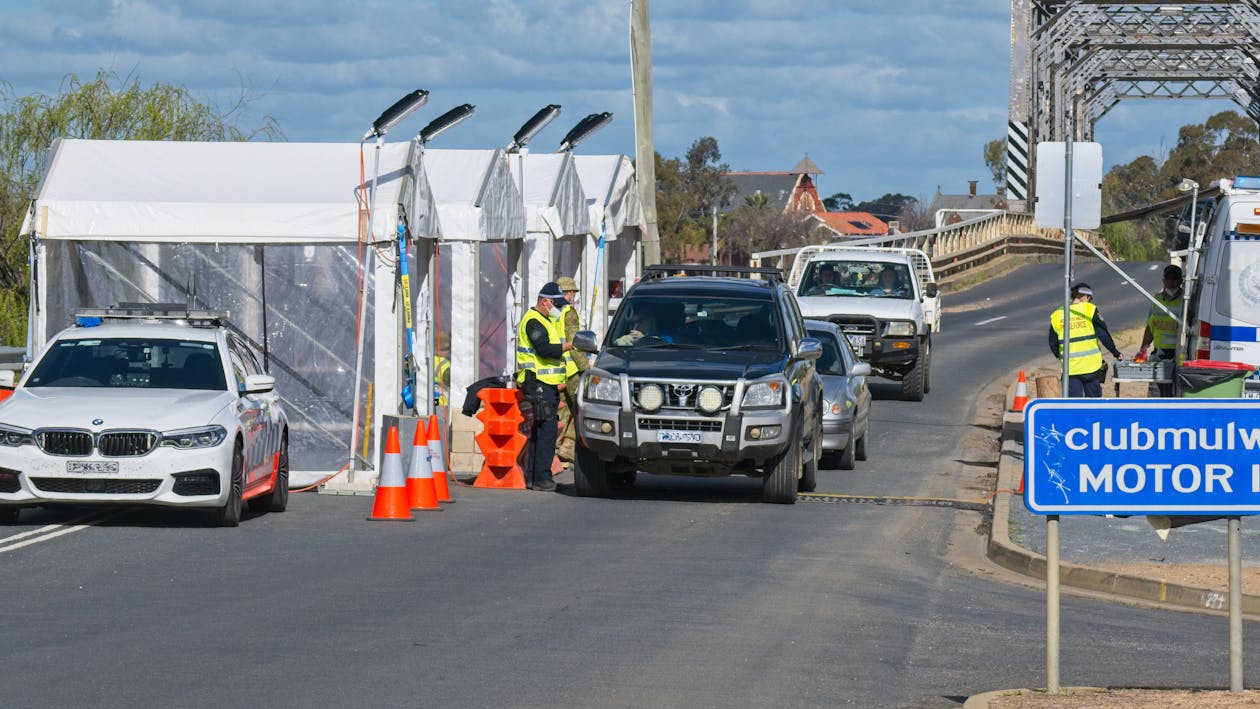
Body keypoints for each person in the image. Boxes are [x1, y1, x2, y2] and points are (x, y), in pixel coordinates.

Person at [516, 282, 573, 491]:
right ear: (545, 302)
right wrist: (569, 345)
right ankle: (541, 478)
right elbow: (544, 350)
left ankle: (534, 477)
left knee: (541, 431)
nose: (557, 308)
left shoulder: (545, 320)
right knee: (547, 431)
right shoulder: (533, 321)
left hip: (546, 384)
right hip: (538, 384)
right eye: (555, 303)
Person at [1048, 282, 1123, 398]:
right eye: (1090, 298)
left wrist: (1062, 357)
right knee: (1093, 406)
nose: (1090, 301)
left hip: (1071, 369)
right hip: (1091, 368)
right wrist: (1115, 352)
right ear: (1085, 296)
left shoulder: (1058, 315)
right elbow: (1103, 335)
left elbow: (1053, 343)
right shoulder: (1089, 309)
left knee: (1074, 407)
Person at [1135, 264, 1184, 396]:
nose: (1171, 282)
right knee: (1157, 392)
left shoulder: (1185, 301)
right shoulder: (1156, 300)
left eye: (1175, 278)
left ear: (1181, 281)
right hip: (1160, 354)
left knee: (1176, 392)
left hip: (1179, 355)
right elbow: (1150, 327)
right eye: (1168, 278)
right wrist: (1142, 349)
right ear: (1163, 280)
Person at [555, 275, 588, 466]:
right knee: (580, 410)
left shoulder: (551, 312)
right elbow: (575, 343)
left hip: (555, 371)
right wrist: (585, 368)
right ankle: (568, 448)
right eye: (572, 293)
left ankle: (556, 450)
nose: (573, 296)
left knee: (561, 412)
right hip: (572, 371)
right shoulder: (569, 312)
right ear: (569, 293)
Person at [433, 332, 451, 408]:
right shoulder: (445, 364)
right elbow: (451, 381)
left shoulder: (430, 360)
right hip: (443, 402)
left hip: (433, 401)